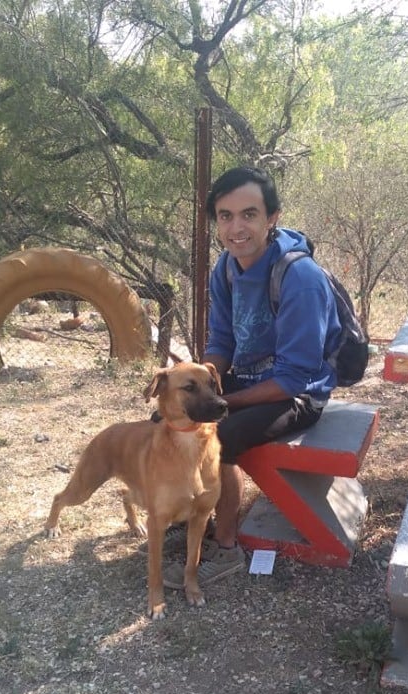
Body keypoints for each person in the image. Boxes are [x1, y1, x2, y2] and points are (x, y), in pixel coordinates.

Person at [164, 165, 342, 588]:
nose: (236, 227)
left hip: (299, 394)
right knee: (170, 418)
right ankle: (196, 513)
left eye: (249, 214)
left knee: (222, 437)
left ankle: (226, 548)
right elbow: (222, 340)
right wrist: (203, 382)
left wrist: (220, 406)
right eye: (225, 216)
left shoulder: (300, 278)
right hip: (248, 379)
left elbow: (294, 378)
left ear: (272, 218)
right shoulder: (226, 268)